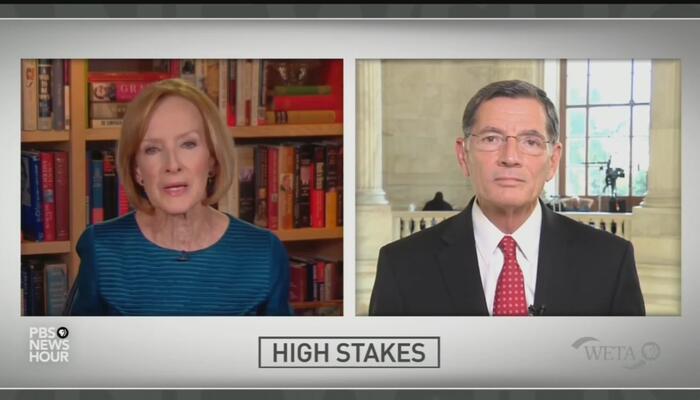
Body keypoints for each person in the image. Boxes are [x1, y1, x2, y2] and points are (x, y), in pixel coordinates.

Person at [369, 80, 645, 316]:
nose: (510, 157)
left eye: (531, 142)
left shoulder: (611, 261)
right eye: (491, 139)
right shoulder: (401, 265)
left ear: (553, 161)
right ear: (463, 156)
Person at [65, 79, 292, 316]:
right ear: (137, 169)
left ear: (212, 159)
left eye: (188, 144)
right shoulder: (101, 249)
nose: (172, 165)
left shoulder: (264, 253)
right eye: (152, 149)